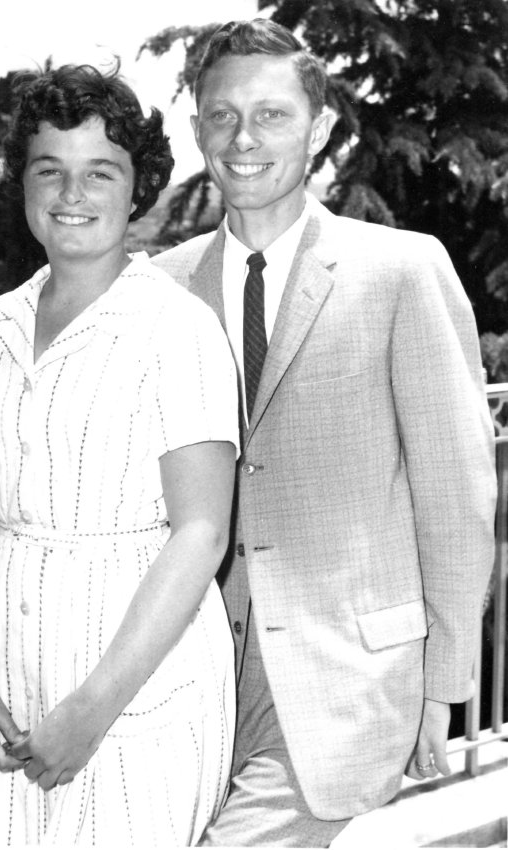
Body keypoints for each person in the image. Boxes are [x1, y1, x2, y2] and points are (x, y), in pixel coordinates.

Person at [152, 18, 497, 848]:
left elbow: (456, 493)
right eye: (222, 115)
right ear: (197, 129)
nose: (243, 139)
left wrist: (444, 683)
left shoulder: (401, 268)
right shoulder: (158, 289)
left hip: (346, 676)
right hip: (185, 677)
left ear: (319, 129)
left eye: (271, 115)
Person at [0, 62, 240, 846]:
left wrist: (92, 710)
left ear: (138, 189)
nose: (72, 193)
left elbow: (201, 532)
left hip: (131, 687)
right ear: (23, 183)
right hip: (1, 674)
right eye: (49, 170)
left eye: (100, 172)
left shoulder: (178, 329)